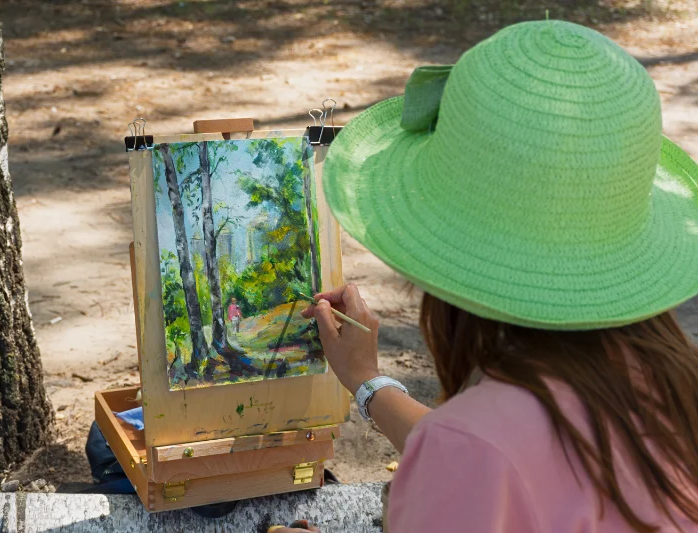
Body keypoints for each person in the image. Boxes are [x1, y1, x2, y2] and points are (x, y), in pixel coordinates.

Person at [272, 20, 698, 533]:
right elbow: (502, 454)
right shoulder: (673, 385)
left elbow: (477, 456)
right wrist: (366, 380)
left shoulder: (468, 452)